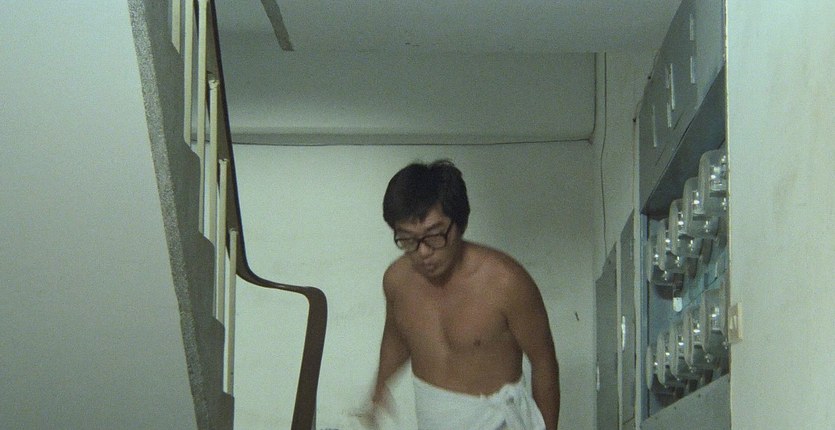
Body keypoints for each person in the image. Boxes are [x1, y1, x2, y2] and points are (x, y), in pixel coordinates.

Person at [366, 160, 560, 430]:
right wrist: (380, 385)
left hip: (497, 423)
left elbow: (544, 363)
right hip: (432, 421)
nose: (423, 252)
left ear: (460, 224)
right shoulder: (397, 281)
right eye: (408, 239)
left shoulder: (506, 282)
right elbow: (397, 337)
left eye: (435, 235)